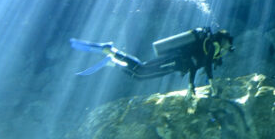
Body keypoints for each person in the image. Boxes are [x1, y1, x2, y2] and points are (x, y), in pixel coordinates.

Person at [71, 27, 234, 95]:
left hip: (176, 64)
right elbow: (204, 64)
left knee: (140, 74)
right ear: (223, 40)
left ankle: (112, 57)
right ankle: (112, 56)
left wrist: (191, 86)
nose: (228, 48)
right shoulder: (213, 45)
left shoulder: (209, 48)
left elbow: (195, 65)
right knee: (141, 72)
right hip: (174, 61)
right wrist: (212, 84)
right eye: (228, 43)